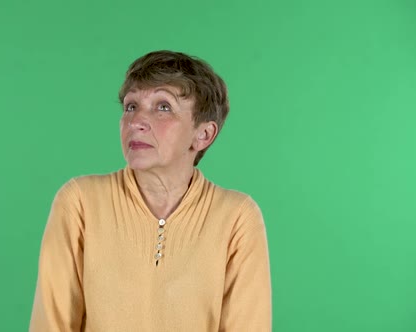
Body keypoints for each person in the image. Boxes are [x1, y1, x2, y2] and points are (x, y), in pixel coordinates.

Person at [29, 50, 272, 331]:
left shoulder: (237, 217)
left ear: (203, 134)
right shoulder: (79, 202)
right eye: (131, 106)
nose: (136, 122)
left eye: (163, 106)